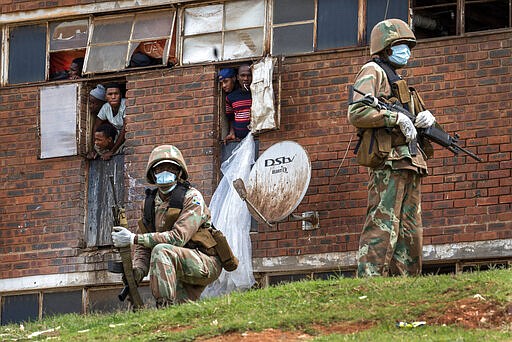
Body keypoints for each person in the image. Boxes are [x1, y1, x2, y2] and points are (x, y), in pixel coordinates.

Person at [347, 19, 436, 277]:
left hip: (411, 161)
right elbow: (357, 111)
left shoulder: (400, 81)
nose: (406, 51)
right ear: (386, 48)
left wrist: (427, 121)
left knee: (410, 228)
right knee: (383, 222)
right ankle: (370, 280)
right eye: (401, 45)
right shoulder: (372, 71)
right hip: (389, 160)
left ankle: (405, 284)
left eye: (409, 46)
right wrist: (394, 118)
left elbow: (416, 121)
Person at [111, 145, 225, 307]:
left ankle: (164, 306)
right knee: (183, 313)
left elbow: (178, 238)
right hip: (173, 263)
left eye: (171, 168)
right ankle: (168, 315)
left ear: (179, 172)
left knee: (161, 250)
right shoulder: (149, 203)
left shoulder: (192, 198)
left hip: (204, 261)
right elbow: (143, 248)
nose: (165, 172)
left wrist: (132, 238)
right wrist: (137, 271)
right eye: (160, 168)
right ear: (152, 173)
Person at [92, 83, 126, 160]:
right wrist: (93, 149)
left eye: (116, 94)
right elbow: (96, 125)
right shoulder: (105, 107)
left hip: (126, 135)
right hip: (117, 134)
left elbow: (125, 128)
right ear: (106, 97)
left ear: (120, 95)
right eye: (110, 94)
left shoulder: (125, 104)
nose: (113, 97)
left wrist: (112, 151)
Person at [224, 64, 252, 142]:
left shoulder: (257, 94)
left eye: (248, 75)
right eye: (242, 75)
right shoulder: (231, 97)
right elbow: (231, 118)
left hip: (256, 138)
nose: (246, 79)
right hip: (239, 140)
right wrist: (232, 133)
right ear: (237, 77)